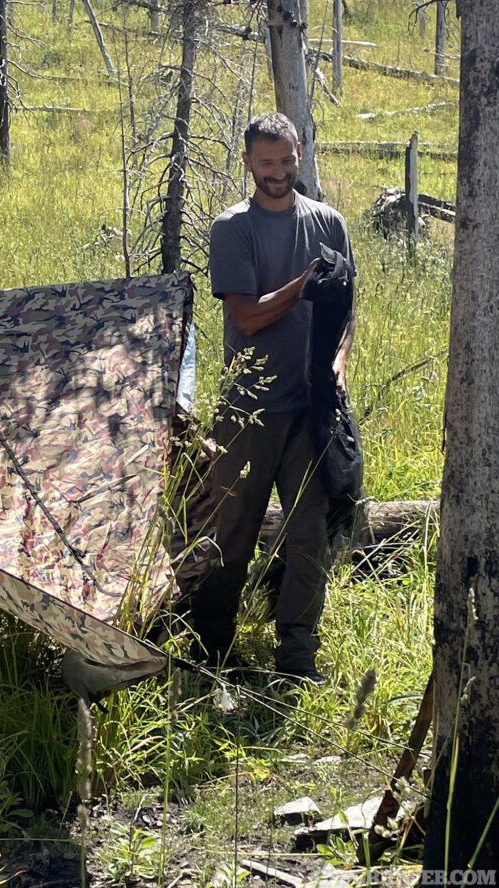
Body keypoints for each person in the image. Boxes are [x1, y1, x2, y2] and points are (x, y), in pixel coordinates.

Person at [191, 111, 356, 683]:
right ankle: (209, 651)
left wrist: (337, 364)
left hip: (312, 409)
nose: (279, 172)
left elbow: (345, 310)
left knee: (309, 534)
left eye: (288, 161)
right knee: (228, 533)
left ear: (300, 153)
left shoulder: (329, 222)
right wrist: (301, 284)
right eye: (268, 163)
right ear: (248, 164)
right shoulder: (233, 228)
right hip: (249, 408)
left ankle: (296, 659)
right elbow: (247, 315)